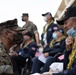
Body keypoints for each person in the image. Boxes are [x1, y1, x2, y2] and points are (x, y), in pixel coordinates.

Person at [41, 6, 76, 75]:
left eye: (66, 23)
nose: (64, 26)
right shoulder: (72, 39)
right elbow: (66, 66)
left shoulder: (63, 39)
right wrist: (68, 51)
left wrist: (52, 74)